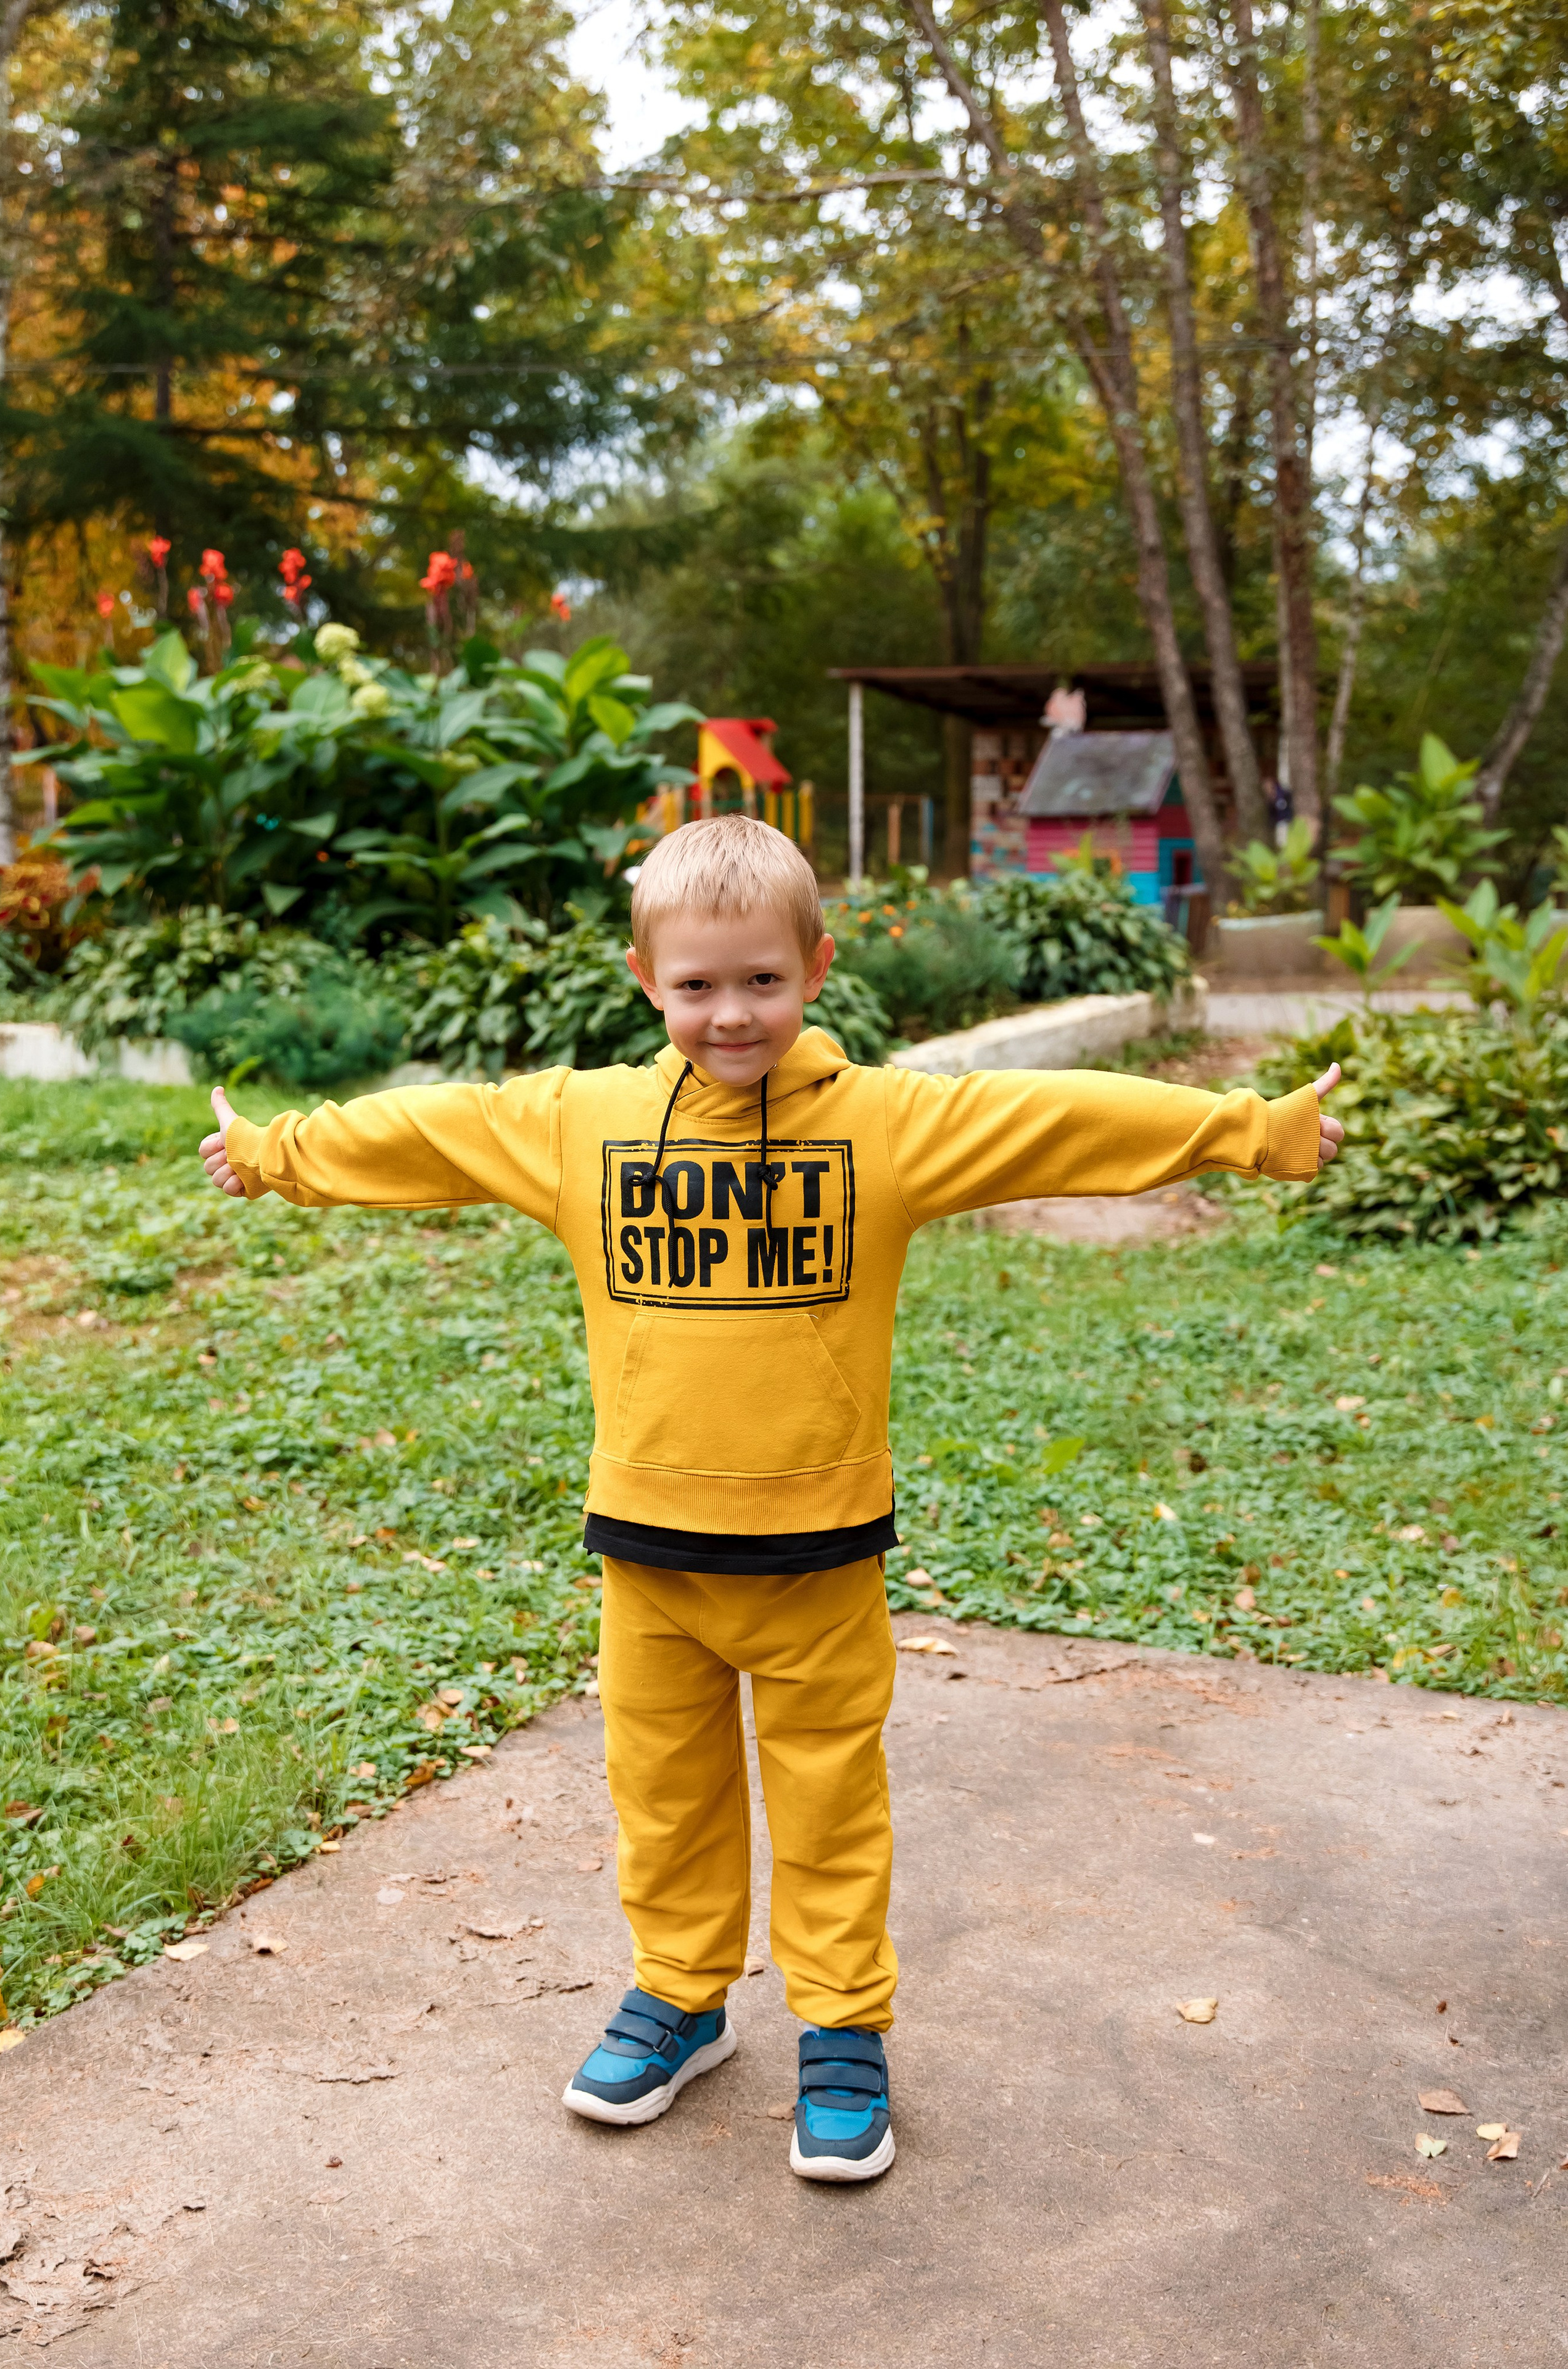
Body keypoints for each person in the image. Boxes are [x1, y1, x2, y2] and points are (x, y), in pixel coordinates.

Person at [199, 814, 1342, 2185]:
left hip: (816, 1557)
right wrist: (277, 1151)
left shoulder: (888, 1122)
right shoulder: (583, 1123)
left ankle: (842, 2028)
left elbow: (1063, 1117)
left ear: (815, 966)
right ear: (644, 979)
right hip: (649, 1553)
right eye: (694, 986)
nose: (727, 1014)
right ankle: (681, 1998)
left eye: (759, 980)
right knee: (664, 1797)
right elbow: (433, 1133)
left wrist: (1249, 1130)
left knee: (826, 1806)